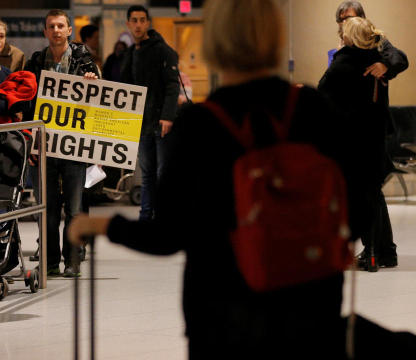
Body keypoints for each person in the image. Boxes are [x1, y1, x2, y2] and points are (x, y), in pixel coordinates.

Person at [68, 0, 353, 357]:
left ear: (215, 41)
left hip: (222, 314)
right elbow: (359, 206)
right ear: (276, 36)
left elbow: (169, 235)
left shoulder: (201, 125)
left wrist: (100, 227)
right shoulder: (314, 109)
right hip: (310, 306)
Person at [24, 9, 100, 278]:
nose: (56, 30)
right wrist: (30, 143)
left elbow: (101, 102)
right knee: (48, 210)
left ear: (69, 30)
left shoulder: (85, 62)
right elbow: (26, 105)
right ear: (45, 32)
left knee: (75, 208)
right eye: (50, 26)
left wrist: (93, 83)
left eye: (60, 26)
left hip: (74, 147)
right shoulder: (35, 62)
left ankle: (73, 260)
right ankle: (50, 261)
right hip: (43, 147)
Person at [334, 1, 408, 270]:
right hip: (355, 129)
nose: (346, 22)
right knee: (371, 191)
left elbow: (400, 58)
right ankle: (384, 251)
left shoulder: (377, 41)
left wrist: (385, 66)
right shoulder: (343, 47)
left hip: (370, 129)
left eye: (351, 18)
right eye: (342, 19)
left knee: (367, 191)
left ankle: (377, 250)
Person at [319, 17, 395, 272]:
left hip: (348, 140)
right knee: (371, 195)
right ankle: (373, 253)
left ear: (348, 37)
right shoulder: (379, 62)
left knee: (346, 196)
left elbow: (322, 93)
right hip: (374, 137)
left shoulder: (342, 61)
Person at [119, 5, 179, 221]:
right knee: (147, 174)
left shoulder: (163, 51)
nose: (138, 24)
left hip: (161, 122)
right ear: (128, 24)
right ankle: (146, 217)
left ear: (148, 23)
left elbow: (173, 86)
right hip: (141, 123)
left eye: (142, 20)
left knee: (163, 174)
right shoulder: (128, 54)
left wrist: (168, 116)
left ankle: (164, 217)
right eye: (134, 20)